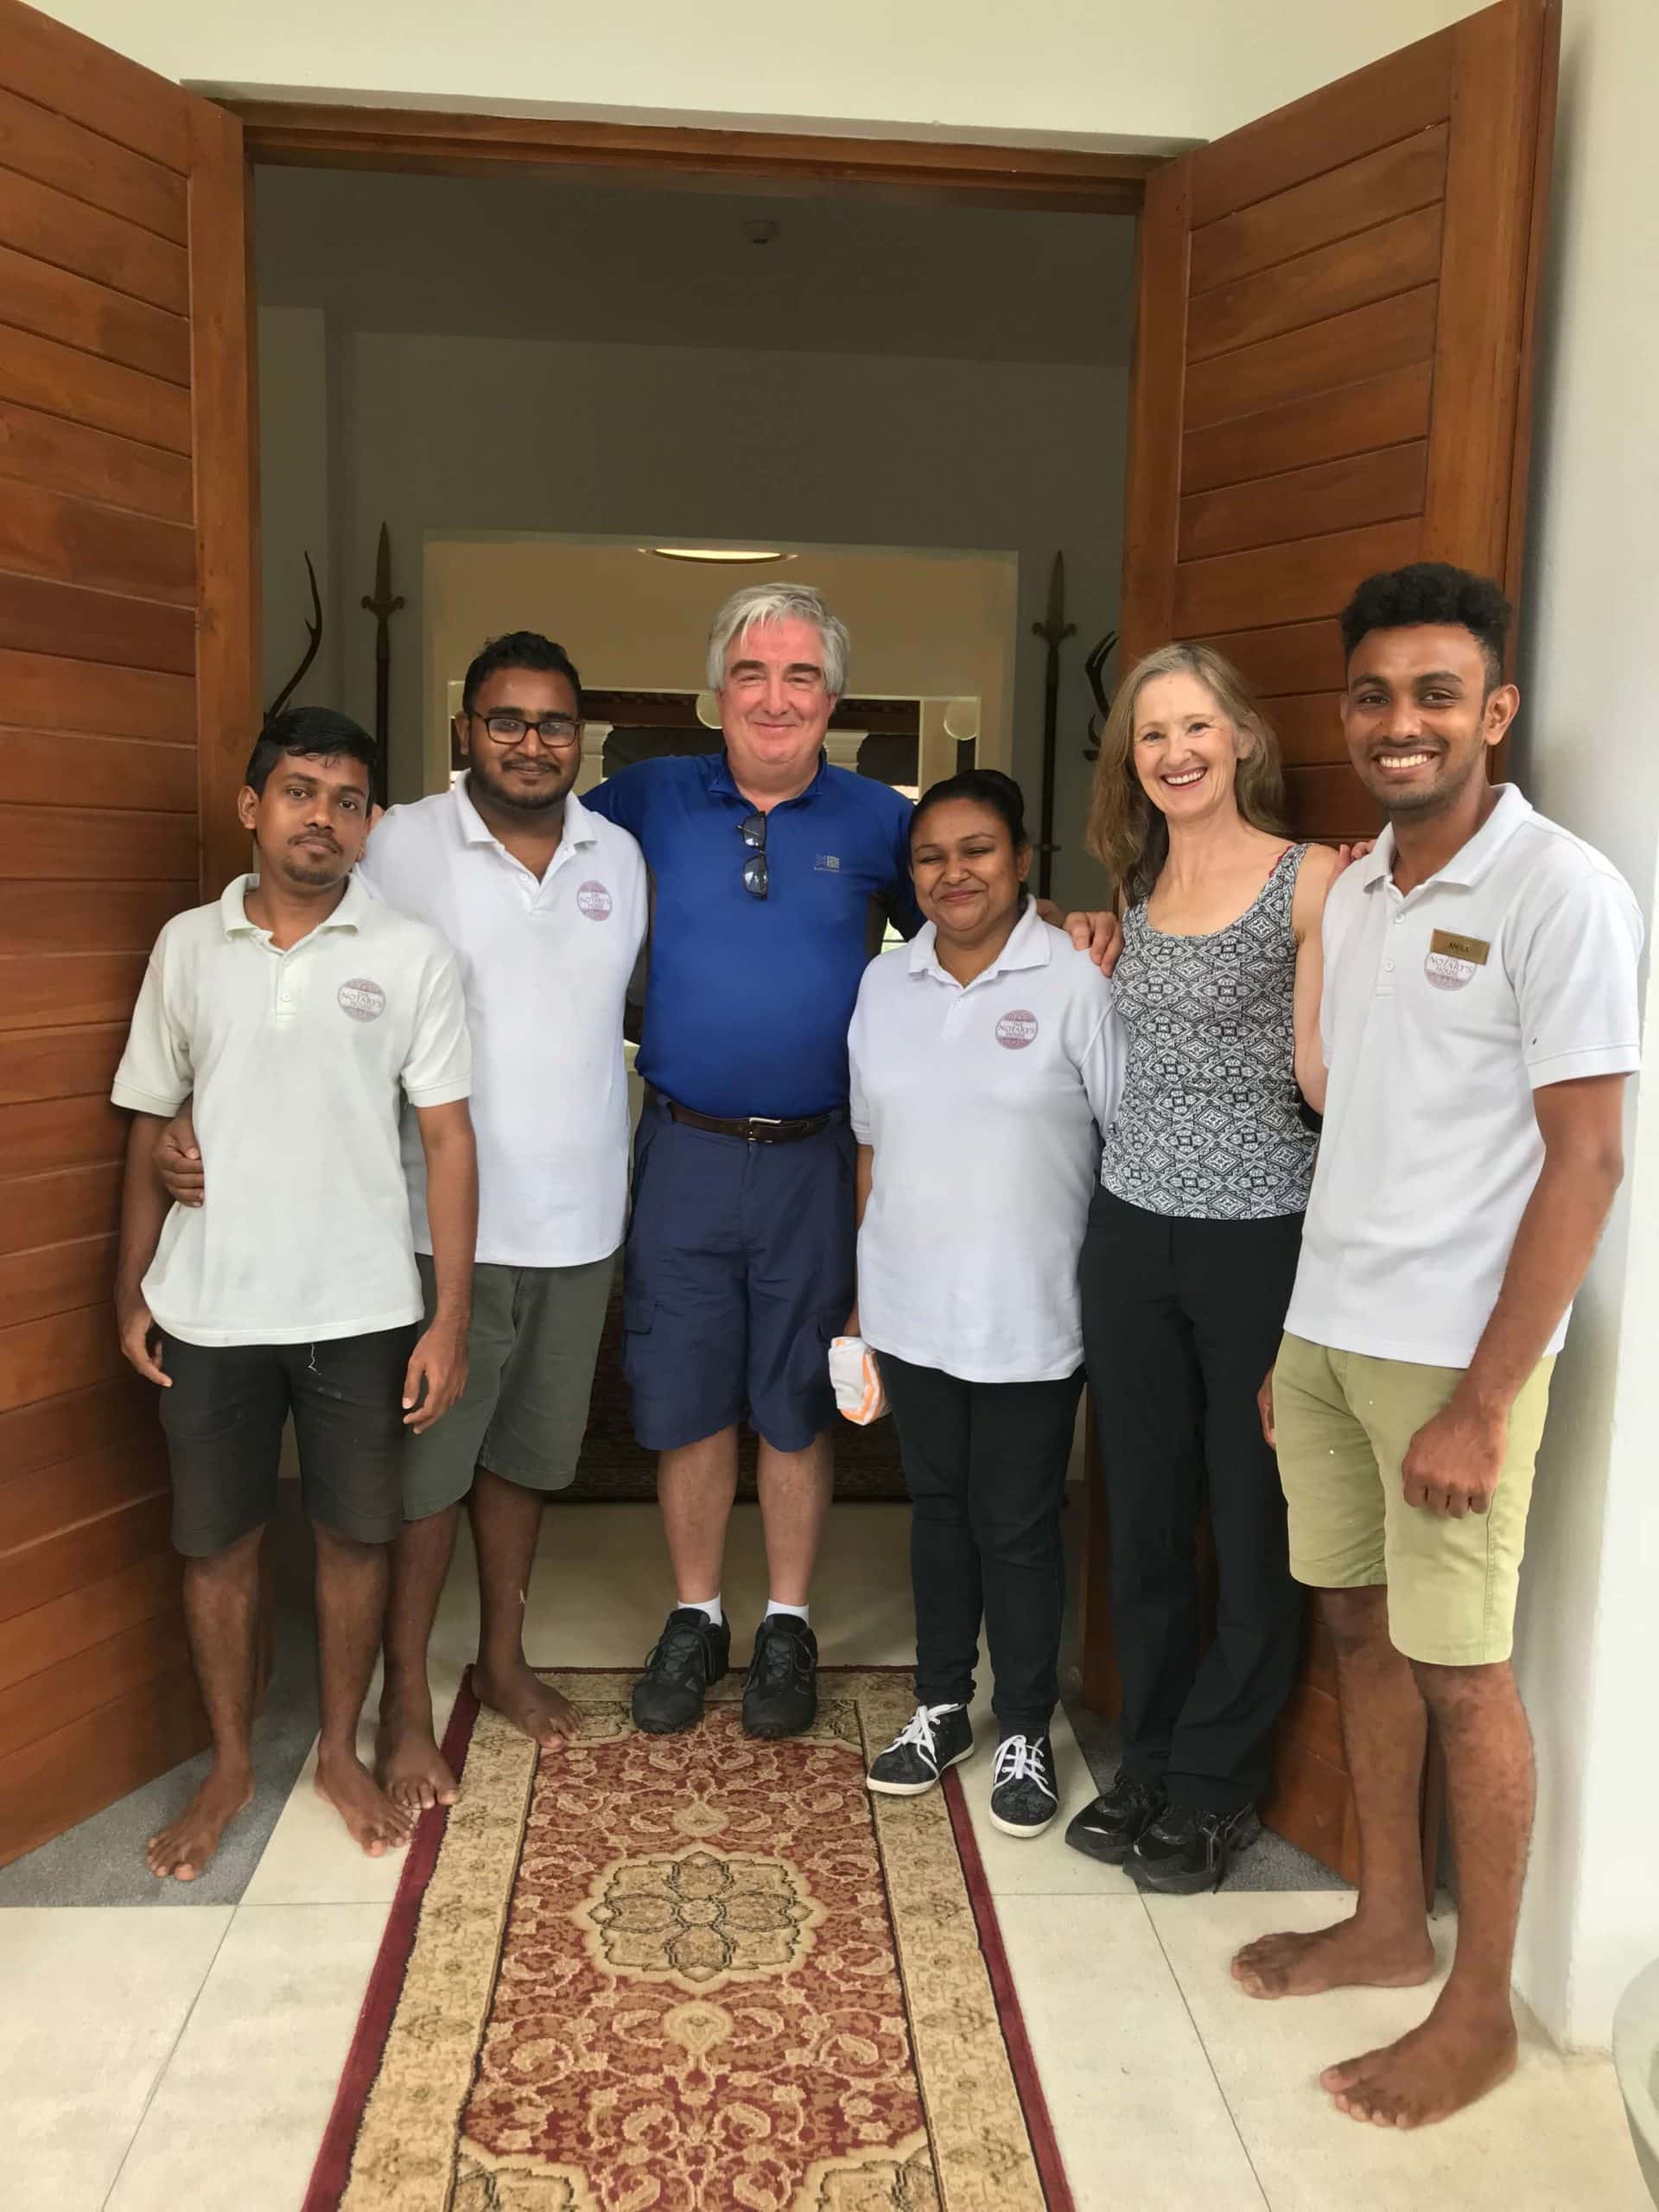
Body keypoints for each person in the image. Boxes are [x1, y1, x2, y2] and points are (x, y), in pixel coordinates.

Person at [1230, 563, 1641, 2130]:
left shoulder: (1561, 894)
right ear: (1348, 715)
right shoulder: (1376, 892)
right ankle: (1392, 1920)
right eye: (1376, 697)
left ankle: (1480, 2013)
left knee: (1466, 1675)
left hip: (1458, 1360)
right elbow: (1367, 1132)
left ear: (1498, 712)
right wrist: (1299, 1330)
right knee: (1354, 1629)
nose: (1403, 723)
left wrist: (1484, 1400)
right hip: (1334, 1333)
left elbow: (1587, 1160)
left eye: (1437, 694)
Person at [583, 582, 1118, 1741]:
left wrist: (1069, 923)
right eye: (752, 675)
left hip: (821, 1158)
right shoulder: (647, 797)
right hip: (682, 1143)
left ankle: (785, 1620)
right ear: (714, 692)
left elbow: (974, 894)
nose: (775, 699)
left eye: (801, 678)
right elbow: (532, 861)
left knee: (799, 1397)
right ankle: (694, 1616)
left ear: (833, 697)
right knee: (681, 1398)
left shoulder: (883, 817)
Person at [156, 635, 648, 1815]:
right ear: (463, 732)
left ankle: (504, 1659)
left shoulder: (617, 855)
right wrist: (187, 1108)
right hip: (434, 1232)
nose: (530, 742)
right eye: (505, 720)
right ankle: (407, 1709)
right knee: (422, 1482)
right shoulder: (401, 841)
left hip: (582, 1221)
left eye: (552, 722)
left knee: (527, 1466)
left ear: (579, 737)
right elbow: (299, 966)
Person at [112, 709, 476, 1879]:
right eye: (301, 790)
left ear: (370, 823)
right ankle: (228, 1763)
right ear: (252, 807)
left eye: (349, 798)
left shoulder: (410, 952)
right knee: (216, 1542)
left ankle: (334, 1745)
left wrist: (449, 1319)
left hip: (361, 1305)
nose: (323, 815)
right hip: (208, 1305)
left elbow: (450, 1141)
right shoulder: (187, 947)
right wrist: (132, 1287)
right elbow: (146, 1121)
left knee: (355, 1534)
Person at [1065, 644, 1340, 1893]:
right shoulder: (1129, 884)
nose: (1174, 752)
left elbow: (1332, 1086)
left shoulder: (1313, 884)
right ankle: (1153, 1760)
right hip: (1130, 1235)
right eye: (1152, 733)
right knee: (1147, 1518)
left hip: (1258, 1240)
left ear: (1240, 738)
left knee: (1250, 1515)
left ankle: (1217, 1787)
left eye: (1196, 727)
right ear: (1132, 756)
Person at [849, 772, 1122, 1836]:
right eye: (931, 857)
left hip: (1030, 1308)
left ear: (1022, 860)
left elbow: (1125, 1144)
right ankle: (939, 1704)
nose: (953, 874)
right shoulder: (886, 986)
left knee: (1017, 1525)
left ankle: (1023, 1724)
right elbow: (871, 1150)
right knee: (938, 1513)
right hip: (913, 1304)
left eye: (977, 851)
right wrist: (863, 1302)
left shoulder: (1075, 981)